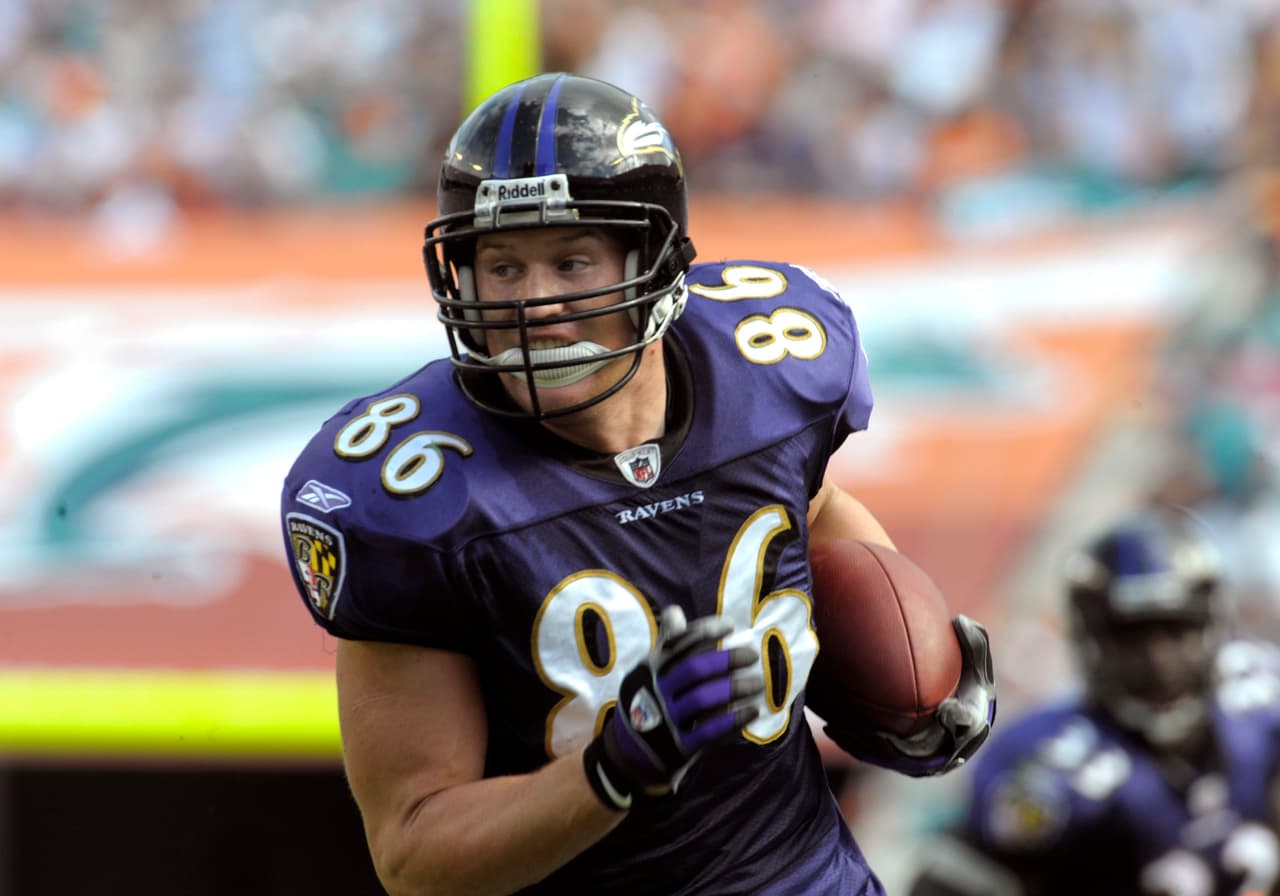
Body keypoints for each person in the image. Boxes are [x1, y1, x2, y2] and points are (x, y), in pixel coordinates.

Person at [280, 72, 995, 896]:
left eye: (572, 261)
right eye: (502, 266)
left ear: (654, 260)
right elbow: (414, 851)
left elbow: (816, 510)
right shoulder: (411, 495)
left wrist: (912, 679)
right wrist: (617, 764)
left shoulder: (772, 374)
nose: (533, 304)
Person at [907, 507, 1280, 896]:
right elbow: (944, 885)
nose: (1159, 662)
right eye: (1132, 638)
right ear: (1090, 639)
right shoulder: (1051, 766)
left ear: (1211, 624)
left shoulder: (1261, 699)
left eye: (1175, 631)